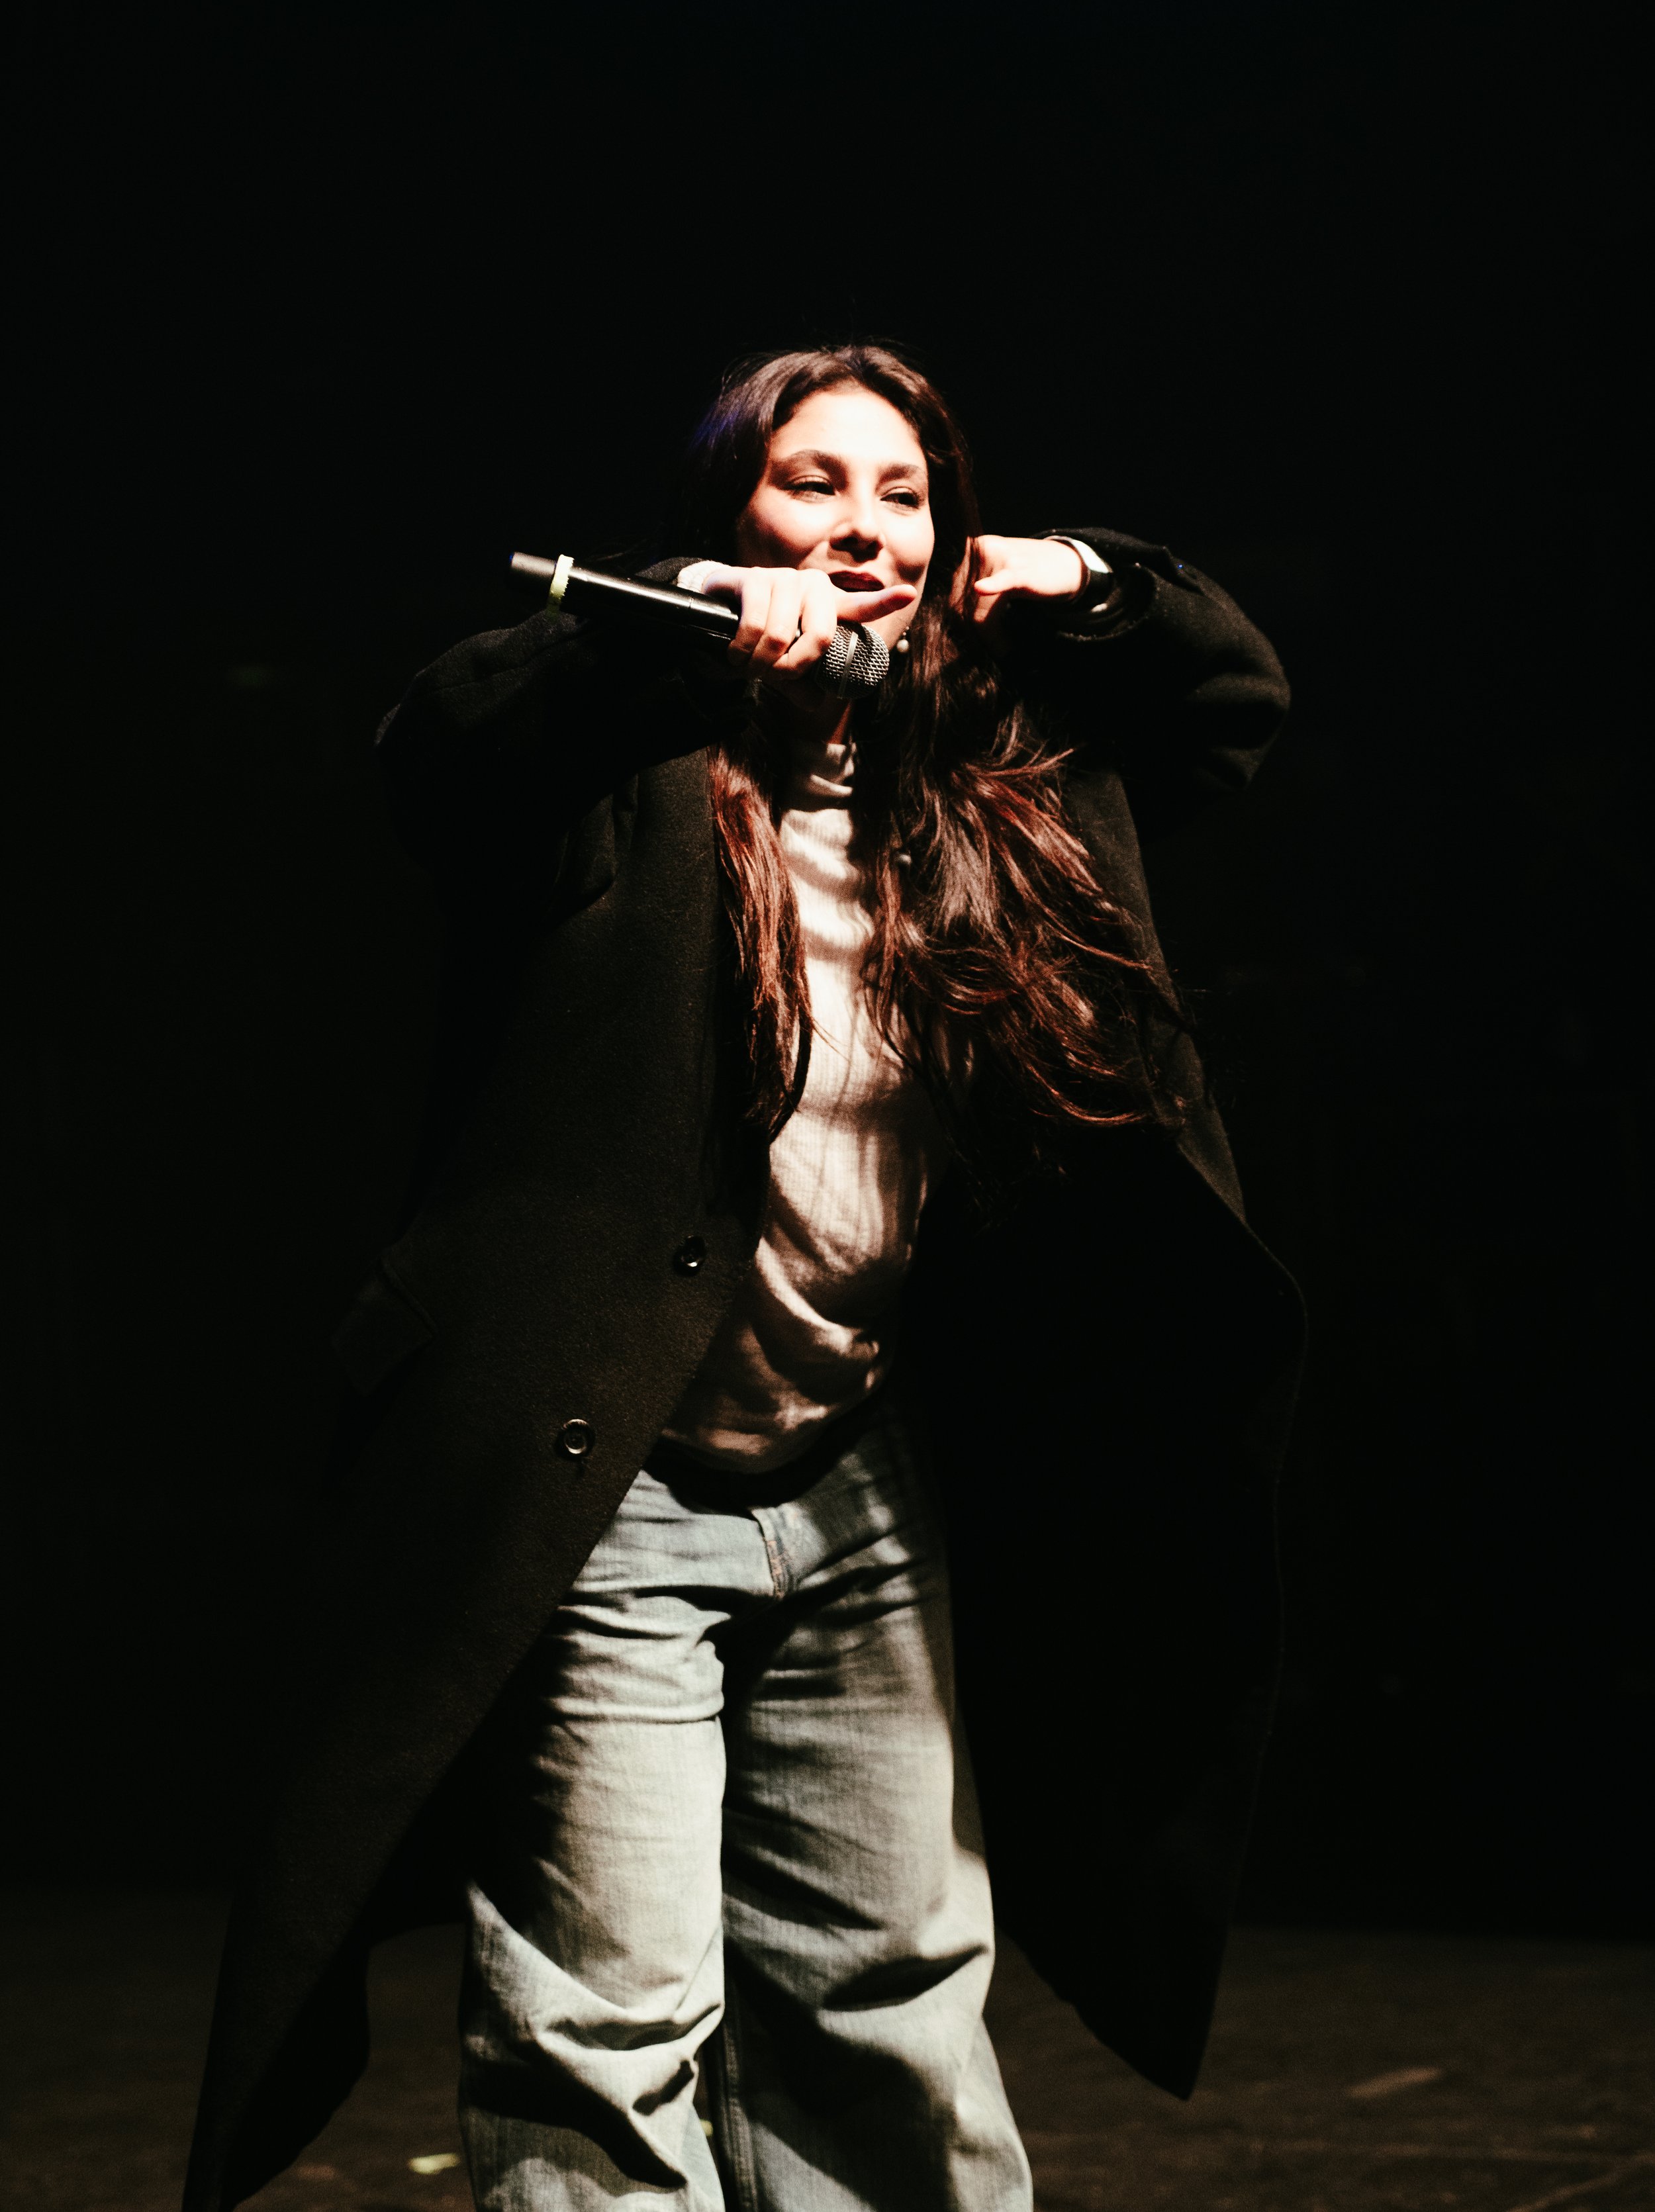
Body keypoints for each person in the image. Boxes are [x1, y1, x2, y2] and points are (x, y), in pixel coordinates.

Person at [185, 343, 1305, 2212]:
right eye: (811, 484)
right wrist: (677, 633)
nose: (859, 526)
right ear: (732, 515)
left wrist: (1083, 579)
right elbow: (435, 742)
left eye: (900, 493)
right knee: (607, 2030)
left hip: (861, 1476)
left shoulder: (1001, 778)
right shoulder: (620, 760)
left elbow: (1229, 694)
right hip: (607, 1484)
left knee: (890, 2005)